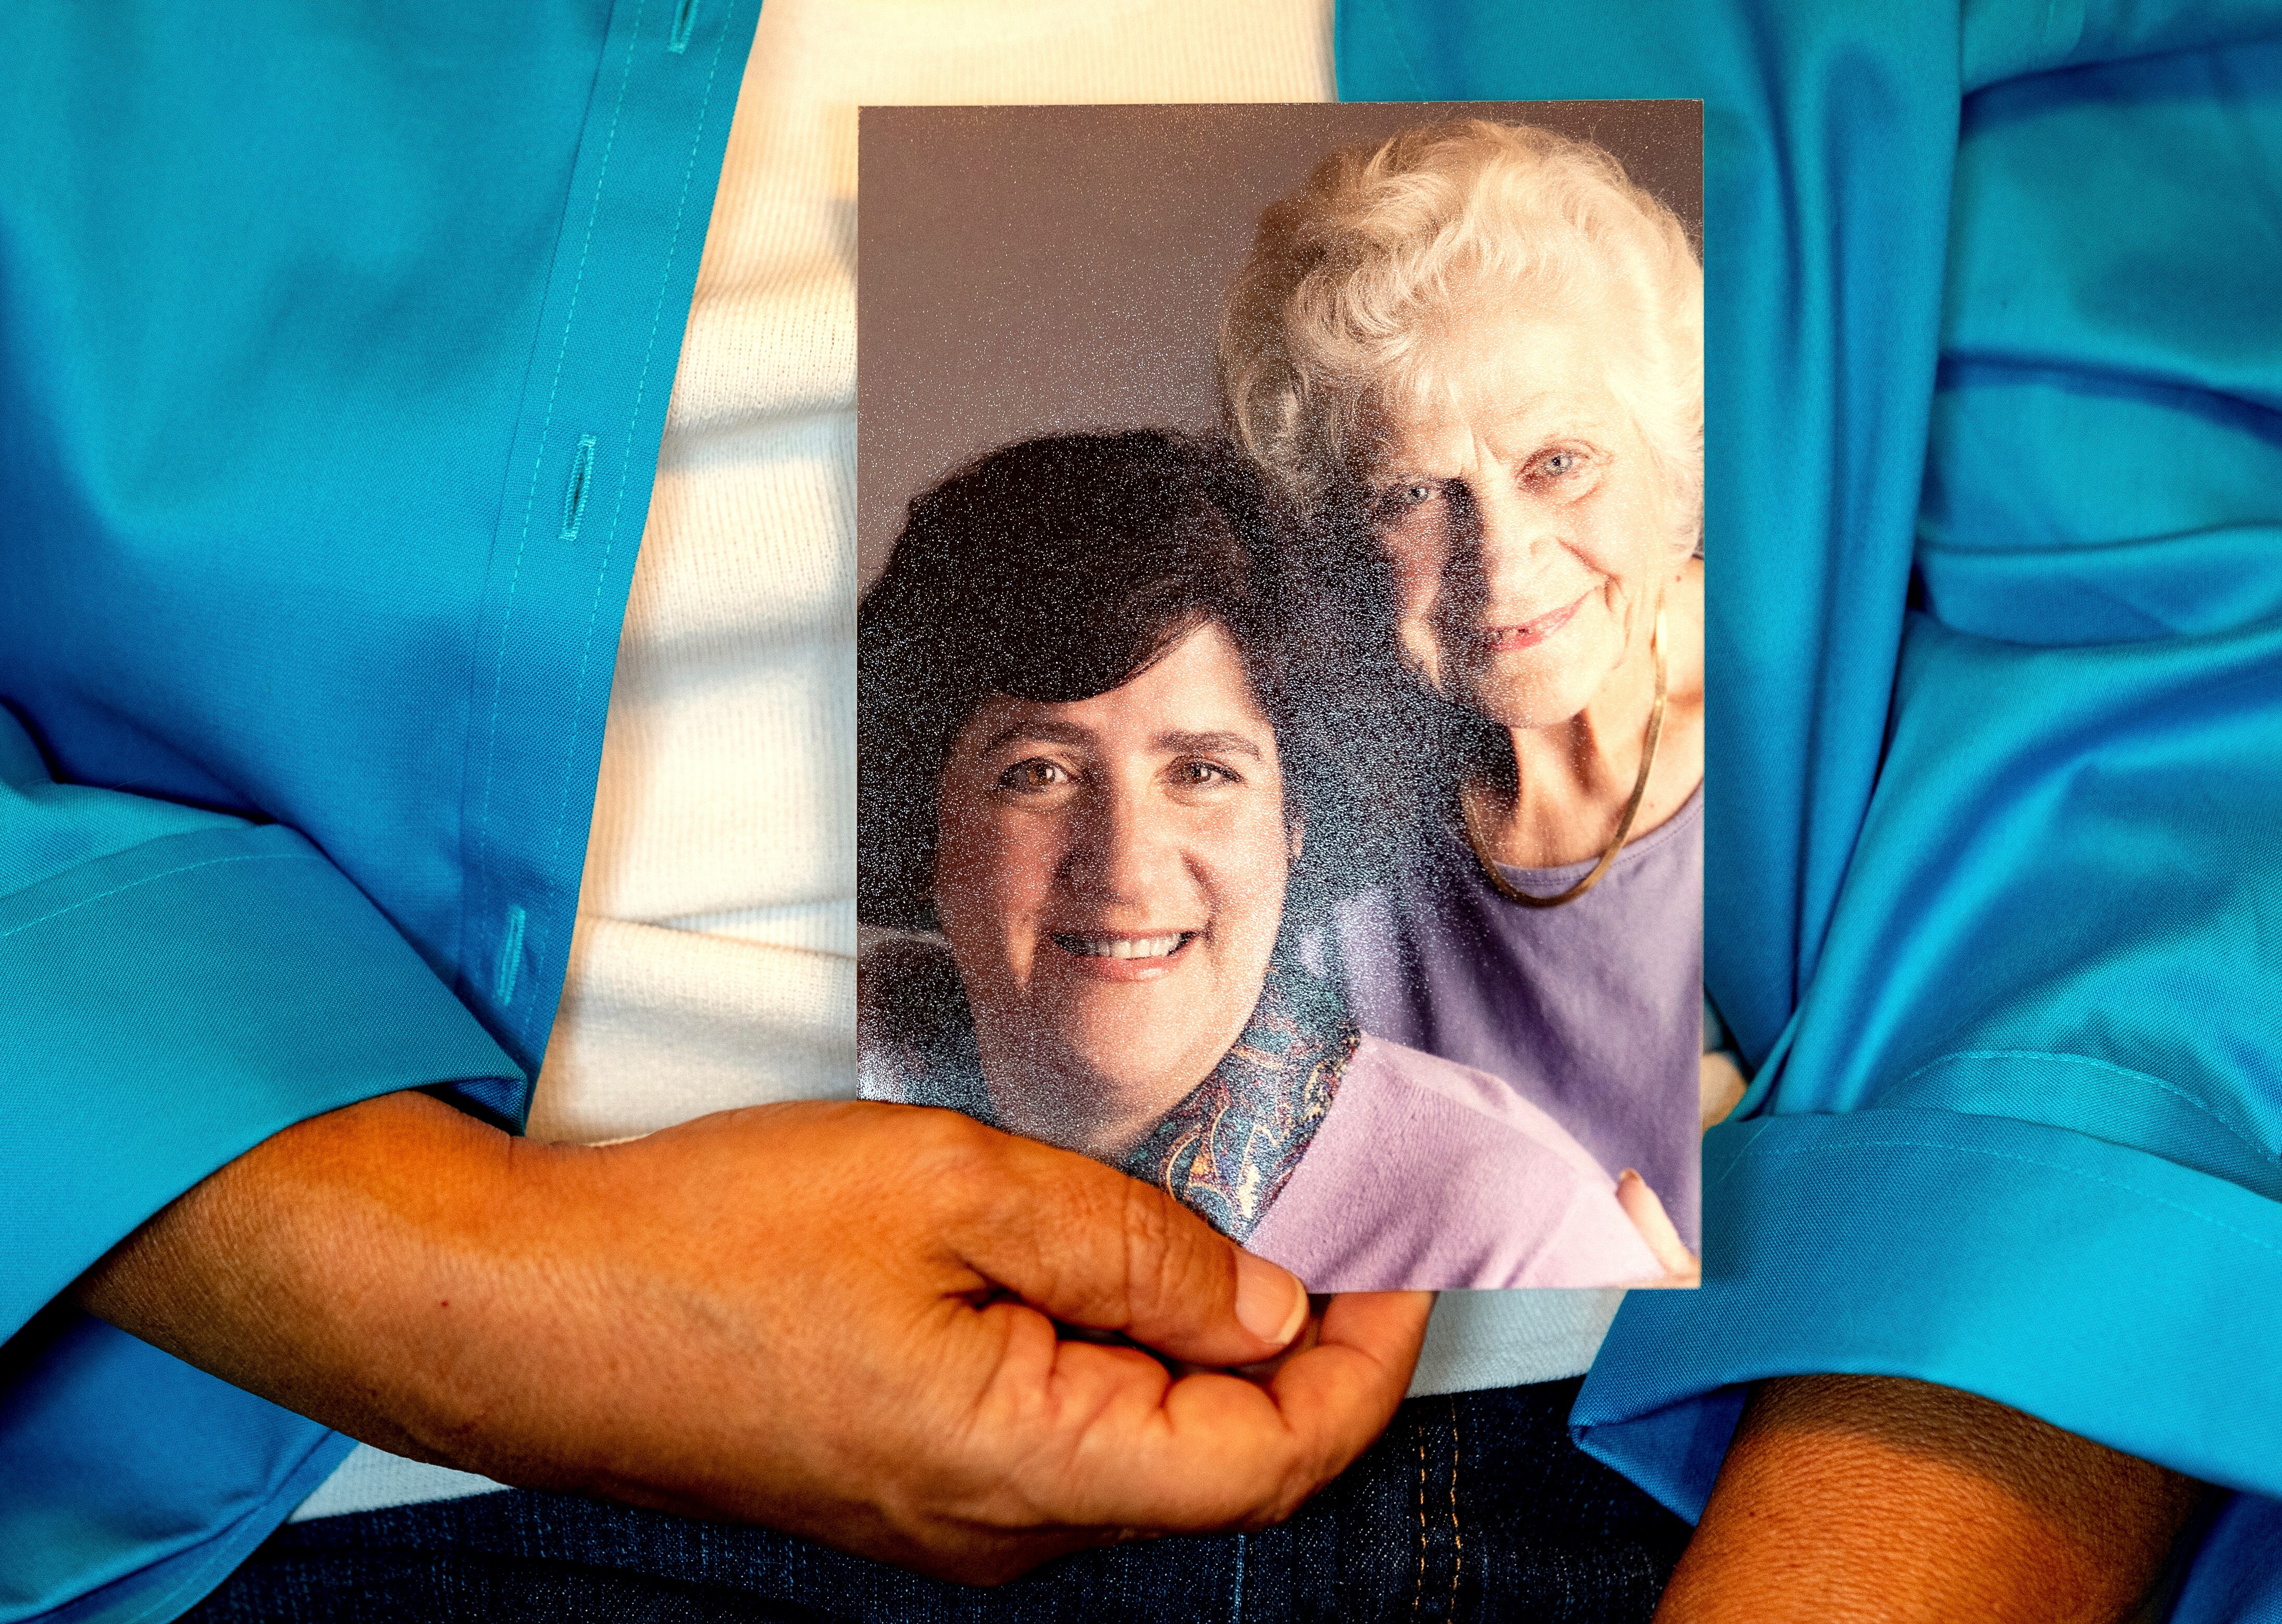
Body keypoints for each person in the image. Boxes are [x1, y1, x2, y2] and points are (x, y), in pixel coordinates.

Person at [858, 430, 1667, 1290]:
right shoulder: (779, 1094)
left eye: (1203, 772)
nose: (1125, 868)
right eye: (1041, 774)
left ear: (1297, 822)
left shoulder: (1520, 1238)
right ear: (923, 814)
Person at [1222, 118, 1708, 1250]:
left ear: (1670, 463)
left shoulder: (1804, 779)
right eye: (1415, 495)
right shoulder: (1319, 859)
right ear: (1341, 532)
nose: (1502, 558)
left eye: (1559, 462)